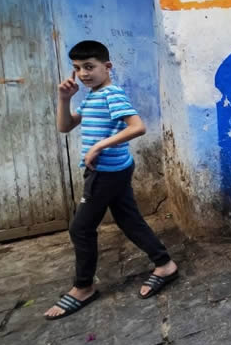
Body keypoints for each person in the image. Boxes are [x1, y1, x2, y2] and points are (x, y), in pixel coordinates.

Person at [44, 41, 178, 320]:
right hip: (113, 169)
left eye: (90, 67)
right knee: (129, 219)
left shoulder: (111, 94)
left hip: (105, 172)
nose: (83, 74)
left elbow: (137, 127)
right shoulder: (92, 96)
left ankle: (83, 287)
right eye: (78, 68)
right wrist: (64, 98)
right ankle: (164, 264)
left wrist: (99, 146)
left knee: (80, 229)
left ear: (107, 67)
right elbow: (64, 126)